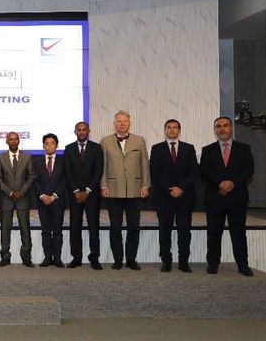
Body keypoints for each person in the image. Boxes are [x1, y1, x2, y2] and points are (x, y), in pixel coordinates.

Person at [200, 116, 255, 276]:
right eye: (218, 126)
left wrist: (232, 183)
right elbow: (204, 172)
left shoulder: (244, 148)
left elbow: (248, 170)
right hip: (214, 197)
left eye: (225, 125)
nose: (222, 129)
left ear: (231, 128)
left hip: (237, 198)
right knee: (213, 233)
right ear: (215, 130)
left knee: (238, 234)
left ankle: (243, 265)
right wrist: (221, 183)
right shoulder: (207, 150)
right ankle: (213, 264)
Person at [100, 111, 151, 270]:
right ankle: (117, 260)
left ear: (130, 123)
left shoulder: (139, 140)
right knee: (115, 227)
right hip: (113, 190)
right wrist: (103, 186)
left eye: (125, 121)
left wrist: (145, 185)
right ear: (114, 124)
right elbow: (102, 166)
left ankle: (131, 259)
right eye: (119, 121)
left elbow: (144, 164)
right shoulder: (105, 141)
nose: (122, 124)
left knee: (133, 227)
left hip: (135, 190)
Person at [150, 119, 198, 273]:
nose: (172, 130)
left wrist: (181, 188)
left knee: (184, 232)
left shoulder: (189, 148)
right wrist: (170, 188)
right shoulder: (156, 149)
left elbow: (193, 172)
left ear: (179, 131)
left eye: (175, 127)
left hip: (185, 197)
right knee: (165, 231)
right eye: (169, 127)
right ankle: (166, 262)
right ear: (165, 130)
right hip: (164, 197)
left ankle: (184, 262)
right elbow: (155, 172)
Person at [63, 121, 104, 270]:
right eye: (79, 130)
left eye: (84, 129)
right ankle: (76, 257)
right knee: (75, 227)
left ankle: (94, 258)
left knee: (94, 227)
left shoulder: (96, 148)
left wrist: (87, 190)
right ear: (75, 132)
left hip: (91, 194)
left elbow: (98, 171)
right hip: (74, 195)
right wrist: (76, 190)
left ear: (88, 131)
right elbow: (67, 172)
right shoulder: (69, 149)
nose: (81, 132)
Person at [0, 131, 35, 267]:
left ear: (19, 141)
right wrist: (10, 192)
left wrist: (21, 192)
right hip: (6, 198)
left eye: (15, 139)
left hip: (22, 198)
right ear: (7, 141)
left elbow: (31, 177)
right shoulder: (0, 158)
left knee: (25, 228)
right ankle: (5, 257)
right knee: (5, 229)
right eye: (10, 139)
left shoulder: (27, 157)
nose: (13, 141)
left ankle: (26, 257)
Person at [33, 134, 67, 267]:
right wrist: (43, 195)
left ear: (57, 145)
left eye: (52, 143)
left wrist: (53, 196)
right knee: (46, 230)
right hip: (42, 202)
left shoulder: (63, 161)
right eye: (46, 143)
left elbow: (65, 180)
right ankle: (47, 258)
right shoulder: (37, 161)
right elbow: (35, 180)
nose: (49, 146)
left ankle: (57, 258)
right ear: (43, 146)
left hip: (57, 201)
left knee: (57, 231)